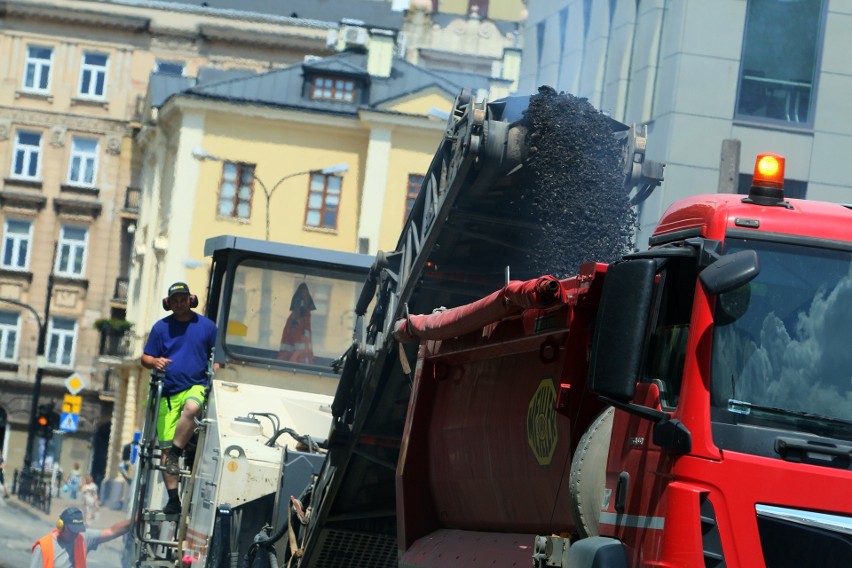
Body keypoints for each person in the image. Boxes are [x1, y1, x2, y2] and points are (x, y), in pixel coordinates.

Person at [141, 281, 216, 515]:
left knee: (192, 408)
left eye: (183, 298)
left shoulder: (207, 327)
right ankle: (173, 499)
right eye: (175, 300)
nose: (180, 303)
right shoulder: (160, 328)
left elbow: (219, 355)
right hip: (168, 393)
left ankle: (176, 452)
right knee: (163, 451)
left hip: (196, 385)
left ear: (191, 299)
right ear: (169, 304)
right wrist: (154, 361)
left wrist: (220, 367)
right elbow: (144, 358)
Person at [30, 506, 130, 568]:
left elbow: (112, 531)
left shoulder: (82, 538)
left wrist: (137, 519)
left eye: (78, 530)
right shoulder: (43, 547)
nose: (75, 534)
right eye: (73, 531)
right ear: (61, 526)